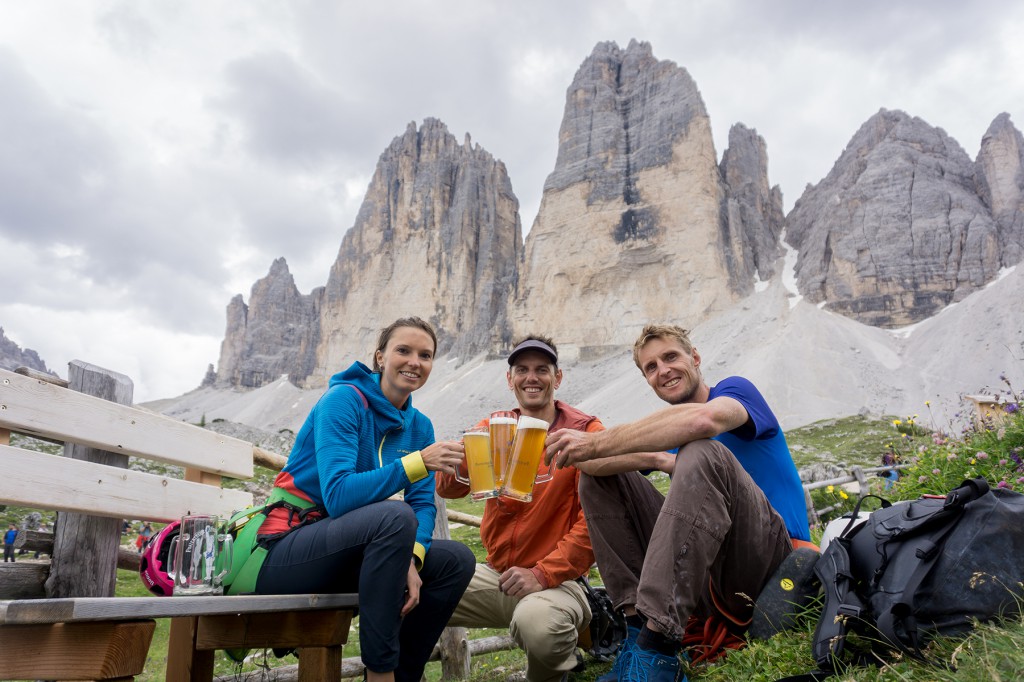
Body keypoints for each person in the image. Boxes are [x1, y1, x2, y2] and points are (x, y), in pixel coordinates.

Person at [545, 324, 811, 682]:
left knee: (701, 449)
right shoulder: (670, 433)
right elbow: (591, 465)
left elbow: (706, 421)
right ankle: (639, 635)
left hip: (774, 562)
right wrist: (656, 459)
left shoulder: (735, 392)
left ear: (695, 358)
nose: (663, 370)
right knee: (598, 479)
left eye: (671, 357)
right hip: (708, 577)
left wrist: (596, 442)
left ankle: (659, 644)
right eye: (651, 367)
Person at [250, 317, 476, 682]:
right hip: (283, 550)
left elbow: (423, 506)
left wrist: (412, 558)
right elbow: (339, 496)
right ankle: (380, 674)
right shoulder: (343, 400)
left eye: (425, 355)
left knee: (456, 560)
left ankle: (405, 677)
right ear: (380, 358)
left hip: (344, 553)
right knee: (393, 515)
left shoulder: (420, 427)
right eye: (403, 350)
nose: (414, 362)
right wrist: (418, 462)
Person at [438, 336, 641, 682]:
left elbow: (593, 526)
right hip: (498, 576)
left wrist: (542, 574)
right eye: (522, 370)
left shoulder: (585, 432)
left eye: (542, 370)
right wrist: (460, 458)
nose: (531, 377)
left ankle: (553, 665)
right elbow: (449, 488)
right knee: (403, 589)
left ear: (557, 378)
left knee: (538, 625)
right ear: (510, 379)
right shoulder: (494, 427)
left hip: (561, 582)